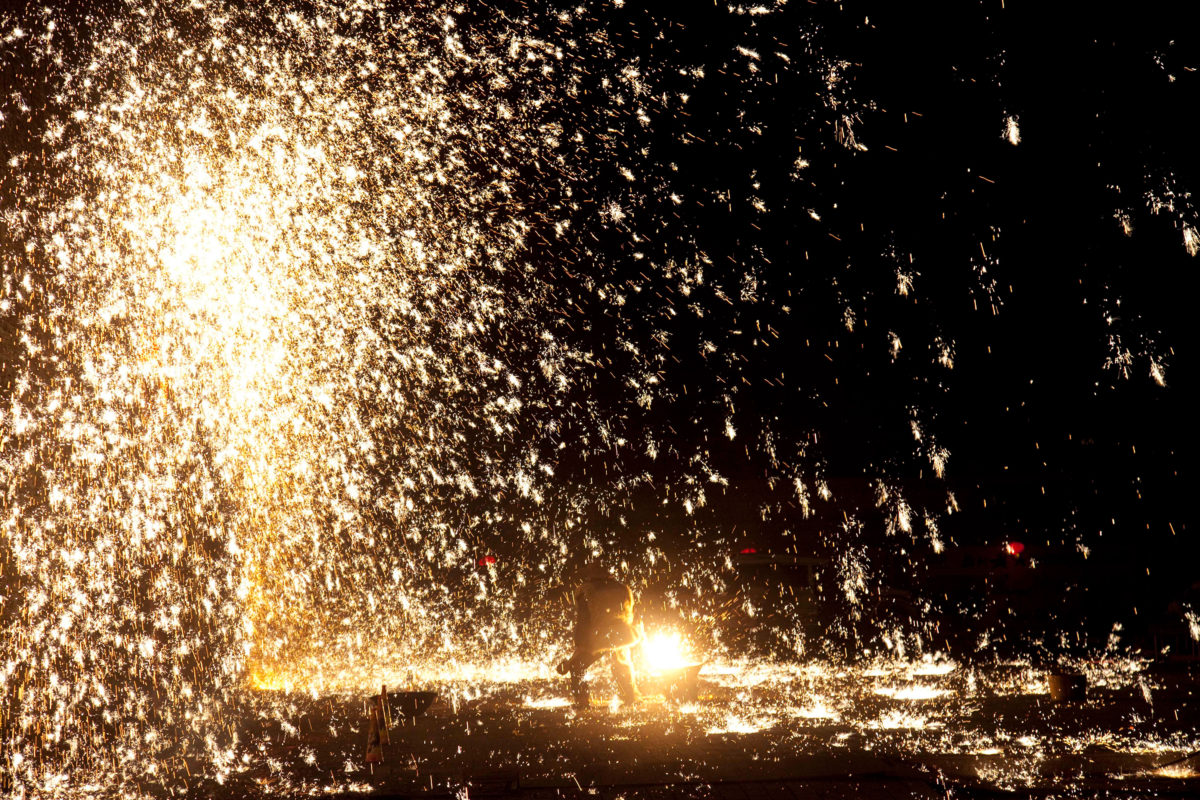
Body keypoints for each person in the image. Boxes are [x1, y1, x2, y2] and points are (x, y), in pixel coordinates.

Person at [556, 567, 644, 708]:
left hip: (601, 637)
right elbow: (634, 615)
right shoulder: (622, 588)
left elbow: (584, 622)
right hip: (624, 634)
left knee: (577, 666)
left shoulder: (586, 590)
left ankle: (582, 702)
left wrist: (575, 654)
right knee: (621, 664)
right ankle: (632, 698)